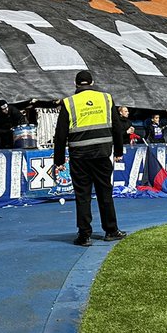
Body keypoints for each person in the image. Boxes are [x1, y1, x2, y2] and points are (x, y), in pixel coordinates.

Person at [53, 70, 126, 247]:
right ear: (92, 82)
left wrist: (59, 160)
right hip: (102, 154)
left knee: (83, 196)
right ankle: (111, 230)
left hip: (80, 157)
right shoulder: (106, 98)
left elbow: (60, 134)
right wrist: (118, 151)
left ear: (76, 84)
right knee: (105, 193)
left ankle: (84, 235)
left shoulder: (69, 103)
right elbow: (117, 127)